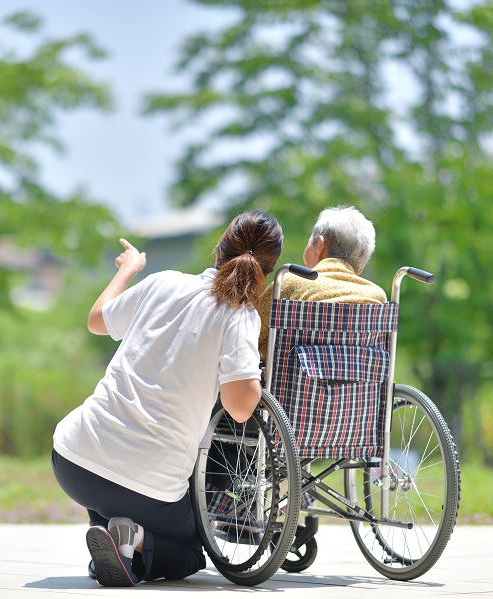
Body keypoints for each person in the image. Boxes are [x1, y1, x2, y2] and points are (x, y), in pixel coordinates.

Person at [52, 210, 284, 587]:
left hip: (73, 460)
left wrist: (128, 268)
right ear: (267, 272)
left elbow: (97, 320)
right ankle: (134, 538)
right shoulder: (239, 316)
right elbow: (241, 408)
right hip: (146, 484)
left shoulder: (163, 282)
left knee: (112, 487)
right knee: (192, 553)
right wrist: (253, 369)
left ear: (219, 250)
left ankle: (115, 544)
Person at [255, 205, 387, 354]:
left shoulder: (290, 283)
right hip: (358, 377)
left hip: (293, 377)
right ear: (359, 269)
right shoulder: (378, 297)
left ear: (319, 246)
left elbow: (249, 336)